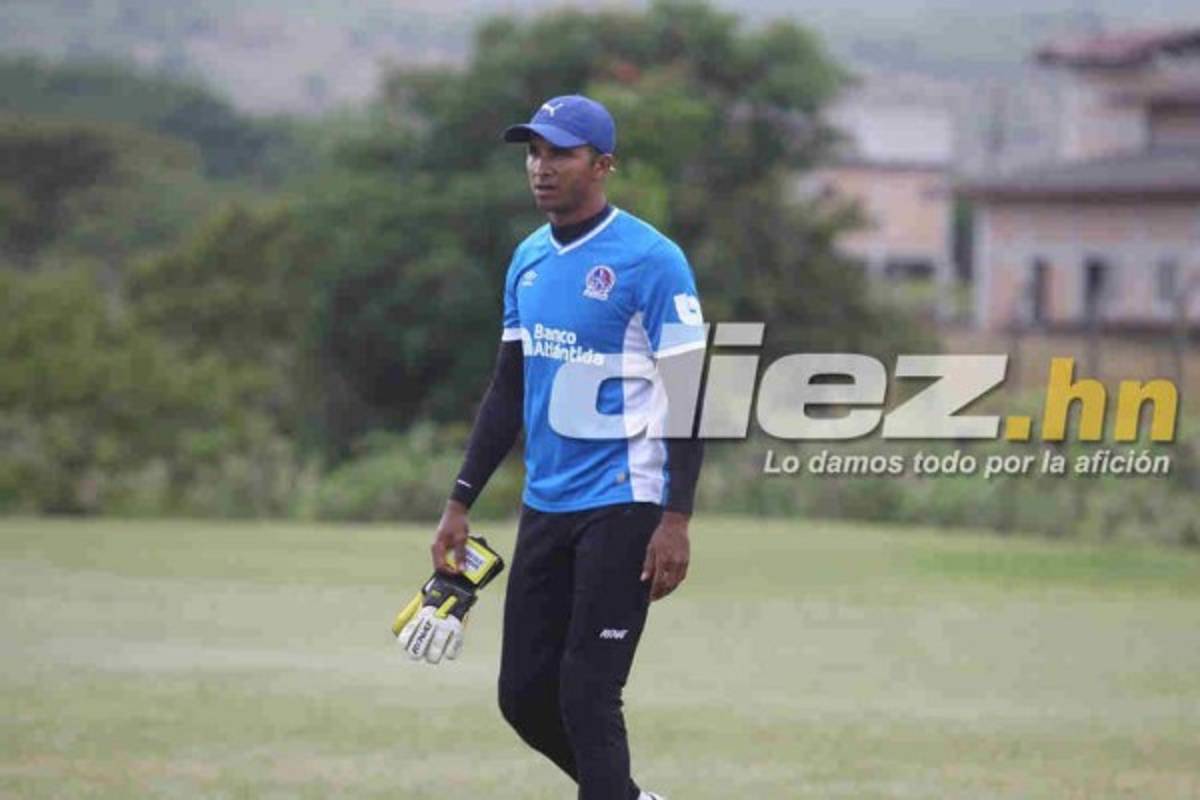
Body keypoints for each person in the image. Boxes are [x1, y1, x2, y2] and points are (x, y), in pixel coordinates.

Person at [430, 94, 706, 800]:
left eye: (560, 153)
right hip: (545, 505)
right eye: (533, 152)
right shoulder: (528, 258)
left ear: (603, 164)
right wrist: (459, 502)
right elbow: (507, 390)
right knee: (524, 697)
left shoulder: (652, 260)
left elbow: (691, 394)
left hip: (625, 503)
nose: (541, 167)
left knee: (587, 694)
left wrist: (676, 519)